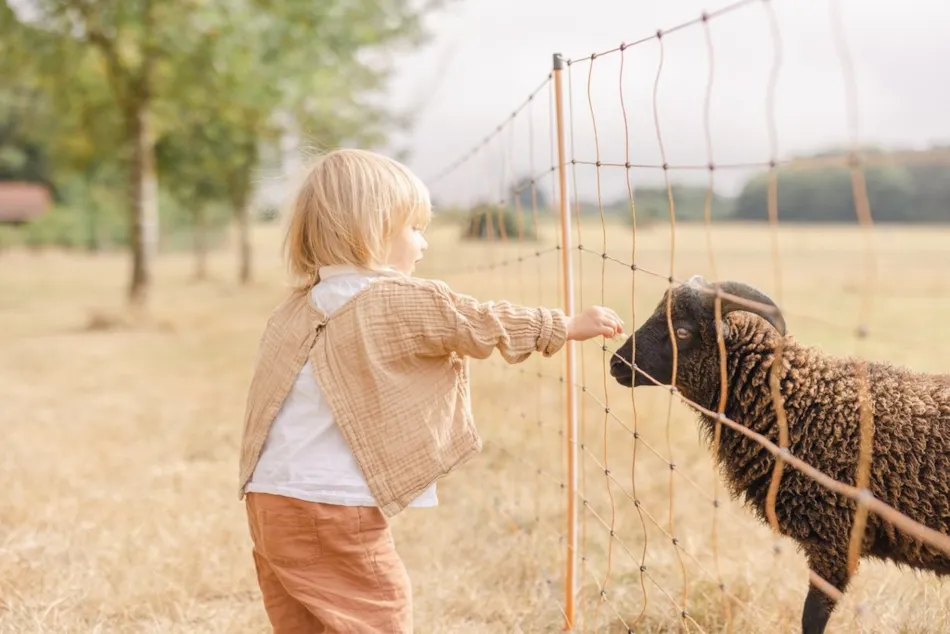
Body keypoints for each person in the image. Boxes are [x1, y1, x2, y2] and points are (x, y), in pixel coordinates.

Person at [237, 148, 624, 633]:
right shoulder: (401, 299)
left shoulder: (295, 309)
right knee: (380, 613)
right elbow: (482, 322)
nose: (423, 243)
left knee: (306, 622)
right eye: (415, 228)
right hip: (331, 505)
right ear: (375, 229)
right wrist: (563, 325)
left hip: (267, 498)